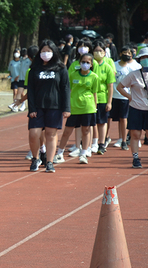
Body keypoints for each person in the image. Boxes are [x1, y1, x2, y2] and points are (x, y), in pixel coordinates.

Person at [27, 39, 71, 173]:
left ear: (54, 52)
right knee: (34, 134)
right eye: (43, 51)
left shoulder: (61, 69)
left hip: (55, 106)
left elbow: (65, 89)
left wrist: (66, 108)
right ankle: (36, 158)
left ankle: (50, 162)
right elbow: (31, 90)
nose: (45, 53)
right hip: (38, 107)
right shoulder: (34, 69)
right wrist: (32, 109)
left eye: (48, 51)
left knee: (51, 134)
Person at [54, 53, 99, 165]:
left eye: (88, 62)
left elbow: (94, 94)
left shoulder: (94, 77)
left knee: (86, 130)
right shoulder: (73, 75)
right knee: (67, 131)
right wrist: (66, 106)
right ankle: (59, 153)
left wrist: (95, 107)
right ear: (79, 63)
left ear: (91, 64)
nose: (85, 64)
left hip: (88, 108)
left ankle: (83, 154)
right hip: (74, 107)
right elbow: (67, 90)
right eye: (83, 62)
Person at [116, 47, 148, 169]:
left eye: (147, 58)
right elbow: (120, 87)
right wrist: (130, 97)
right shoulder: (133, 75)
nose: (146, 60)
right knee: (135, 134)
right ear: (139, 60)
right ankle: (135, 158)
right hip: (136, 108)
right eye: (143, 58)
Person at [111, 46, 141, 151]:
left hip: (124, 97)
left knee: (123, 119)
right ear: (120, 54)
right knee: (110, 118)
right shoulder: (114, 65)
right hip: (113, 95)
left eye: (129, 53)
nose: (127, 55)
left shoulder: (132, 68)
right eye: (125, 53)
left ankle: (123, 140)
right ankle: (105, 139)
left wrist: (130, 96)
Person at [92, 41, 116, 155]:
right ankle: (92, 143)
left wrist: (109, 102)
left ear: (104, 52)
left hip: (102, 98)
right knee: (91, 122)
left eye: (100, 51)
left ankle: (102, 143)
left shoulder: (107, 67)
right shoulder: (88, 65)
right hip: (89, 98)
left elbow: (110, 85)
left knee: (102, 122)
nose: (98, 53)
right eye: (96, 51)